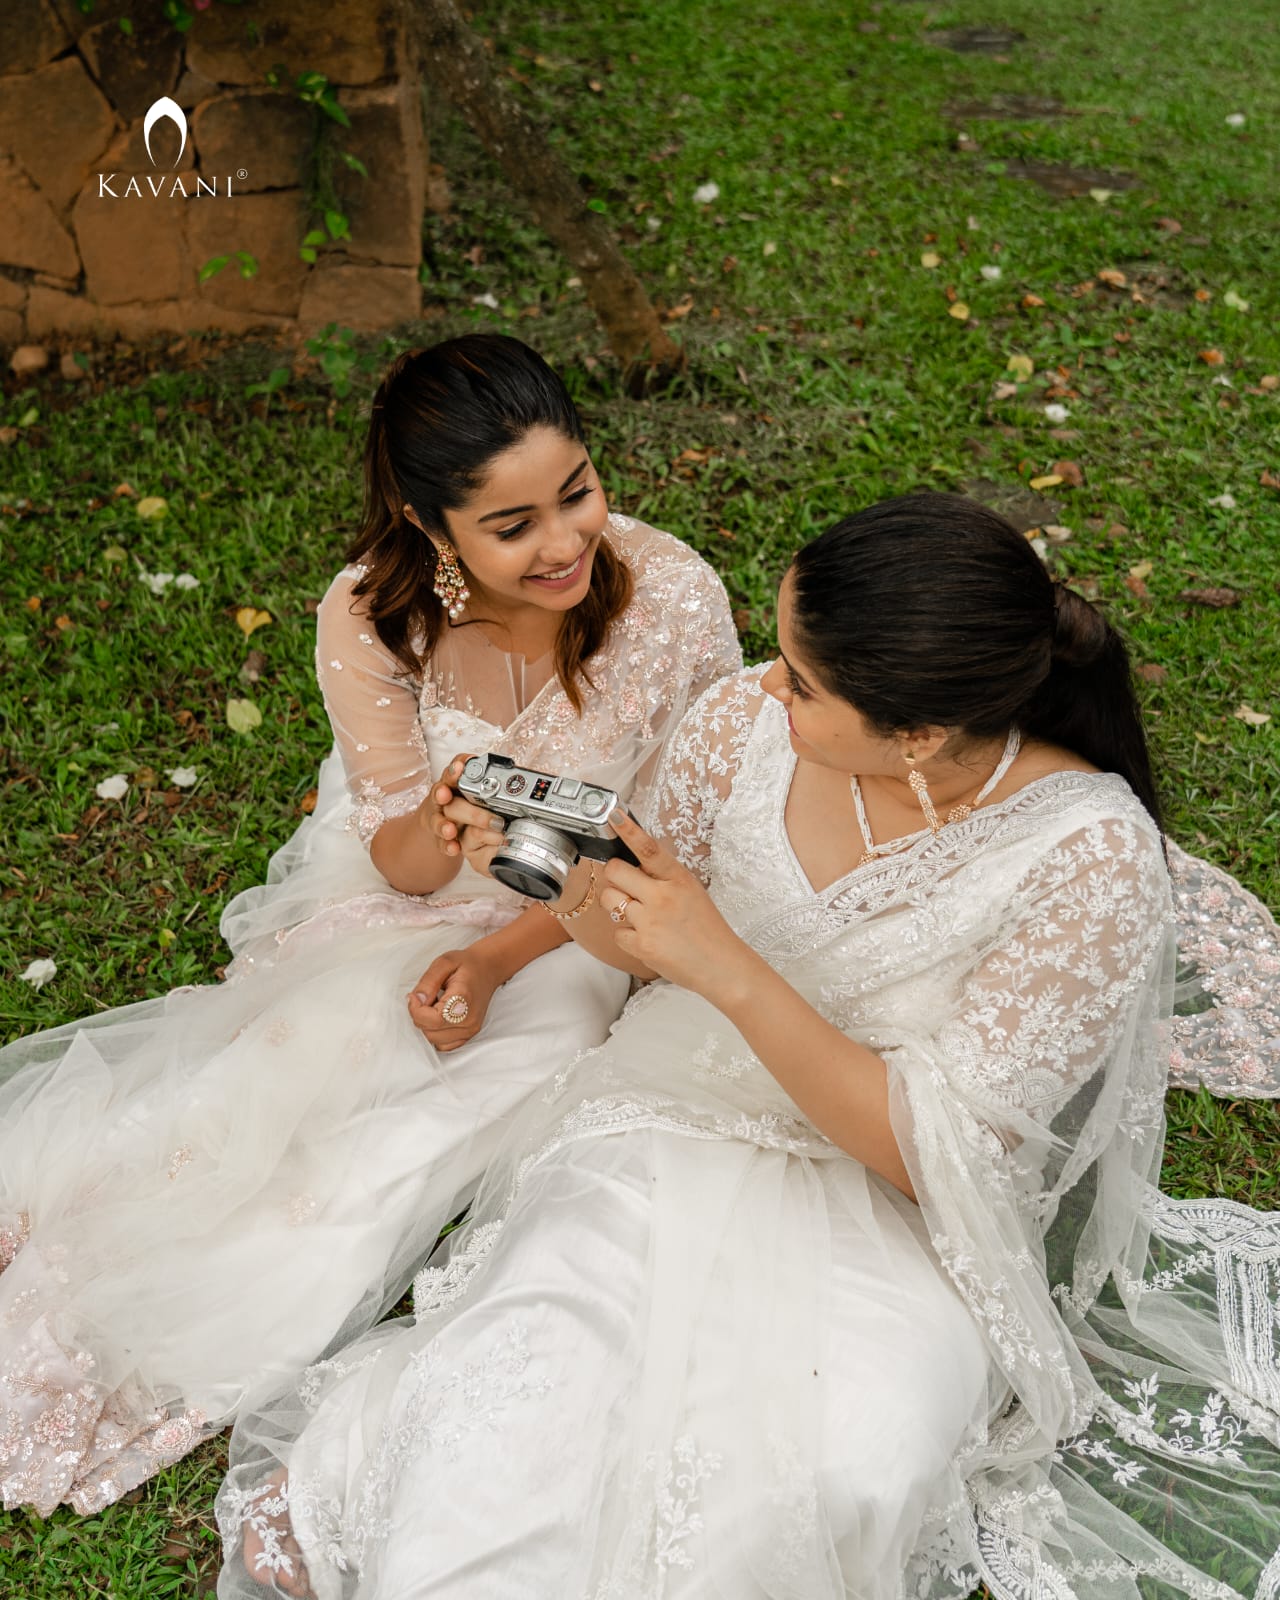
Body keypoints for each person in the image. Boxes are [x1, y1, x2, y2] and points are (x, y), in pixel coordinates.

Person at [218, 492, 1280, 1600]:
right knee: (526, 1385)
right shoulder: (741, 723)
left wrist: (721, 963)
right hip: (669, 1112)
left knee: (837, 1464)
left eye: (803, 680)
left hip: (901, 1215)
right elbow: (639, 914)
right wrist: (553, 895)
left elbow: (941, 1157)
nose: (766, 684)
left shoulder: (1091, 861)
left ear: (915, 733)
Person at [0, 335, 742, 1516]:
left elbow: (685, 839)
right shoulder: (366, 612)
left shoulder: (670, 596)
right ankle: (76, 1217)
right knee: (322, 1036)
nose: (563, 544)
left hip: (596, 918)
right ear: (430, 524)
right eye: (511, 526)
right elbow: (397, 863)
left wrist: (498, 953)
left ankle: (175, 1323)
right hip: (418, 893)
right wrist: (450, 826)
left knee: (482, 1080)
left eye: (577, 492)